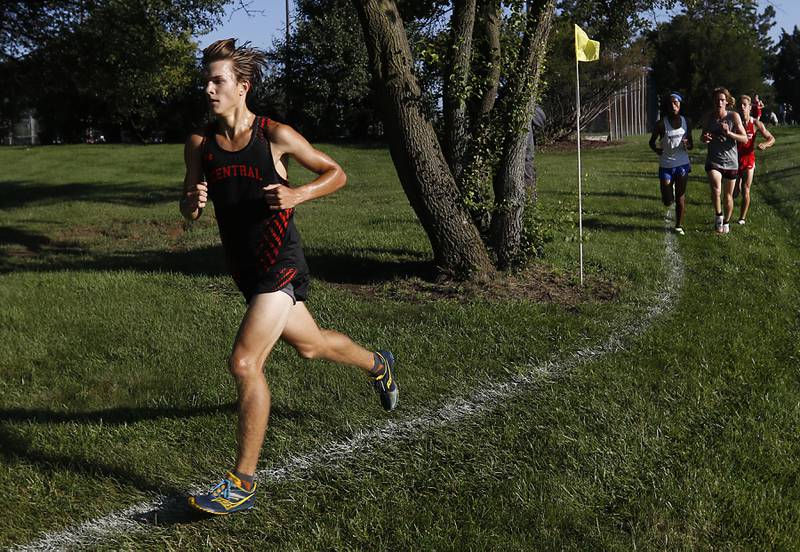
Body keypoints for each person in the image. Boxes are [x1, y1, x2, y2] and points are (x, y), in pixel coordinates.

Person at [180, 39, 399, 515]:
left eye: (218, 81)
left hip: (280, 262)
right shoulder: (199, 144)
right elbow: (189, 207)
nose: (209, 89)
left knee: (244, 363)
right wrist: (192, 203)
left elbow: (336, 173)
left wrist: (299, 194)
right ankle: (378, 364)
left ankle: (242, 481)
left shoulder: (275, 135)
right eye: (207, 81)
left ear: (243, 86)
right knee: (311, 345)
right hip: (245, 268)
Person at [700, 87, 748, 234]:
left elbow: (745, 138)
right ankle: (719, 215)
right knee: (716, 187)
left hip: (731, 162)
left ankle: (726, 222)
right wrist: (705, 138)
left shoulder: (733, 117)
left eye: (722, 100)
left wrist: (729, 133)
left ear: (726, 102)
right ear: (713, 101)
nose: (719, 102)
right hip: (714, 160)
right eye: (717, 100)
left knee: (728, 196)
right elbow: (702, 137)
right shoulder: (708, 118)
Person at [648, 92, 693, 235]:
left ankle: (678, 225)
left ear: (680, 105)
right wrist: (657, 149)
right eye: (671, 103)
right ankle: (668, 196)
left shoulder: (687, 122)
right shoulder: (661, 124)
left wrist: (688, 144)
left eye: (676, 103)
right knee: (667, 200)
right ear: (667, 106)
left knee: (680, 196)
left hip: (682, 163)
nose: (674, 106)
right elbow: (651, 142)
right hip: (666, 165)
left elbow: (691, 144)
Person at [733, 95, 775, 224]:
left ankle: (742, 218)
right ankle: (729, 206)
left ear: (750, 107)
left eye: (745, 105)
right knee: (735, 191)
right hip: (734, 160)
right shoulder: (733, 122)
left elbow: (771, 138)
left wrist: (765, 145)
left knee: (746, 189)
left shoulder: (755, 123)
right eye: (740, 105)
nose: (742, 107)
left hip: (748, 159)